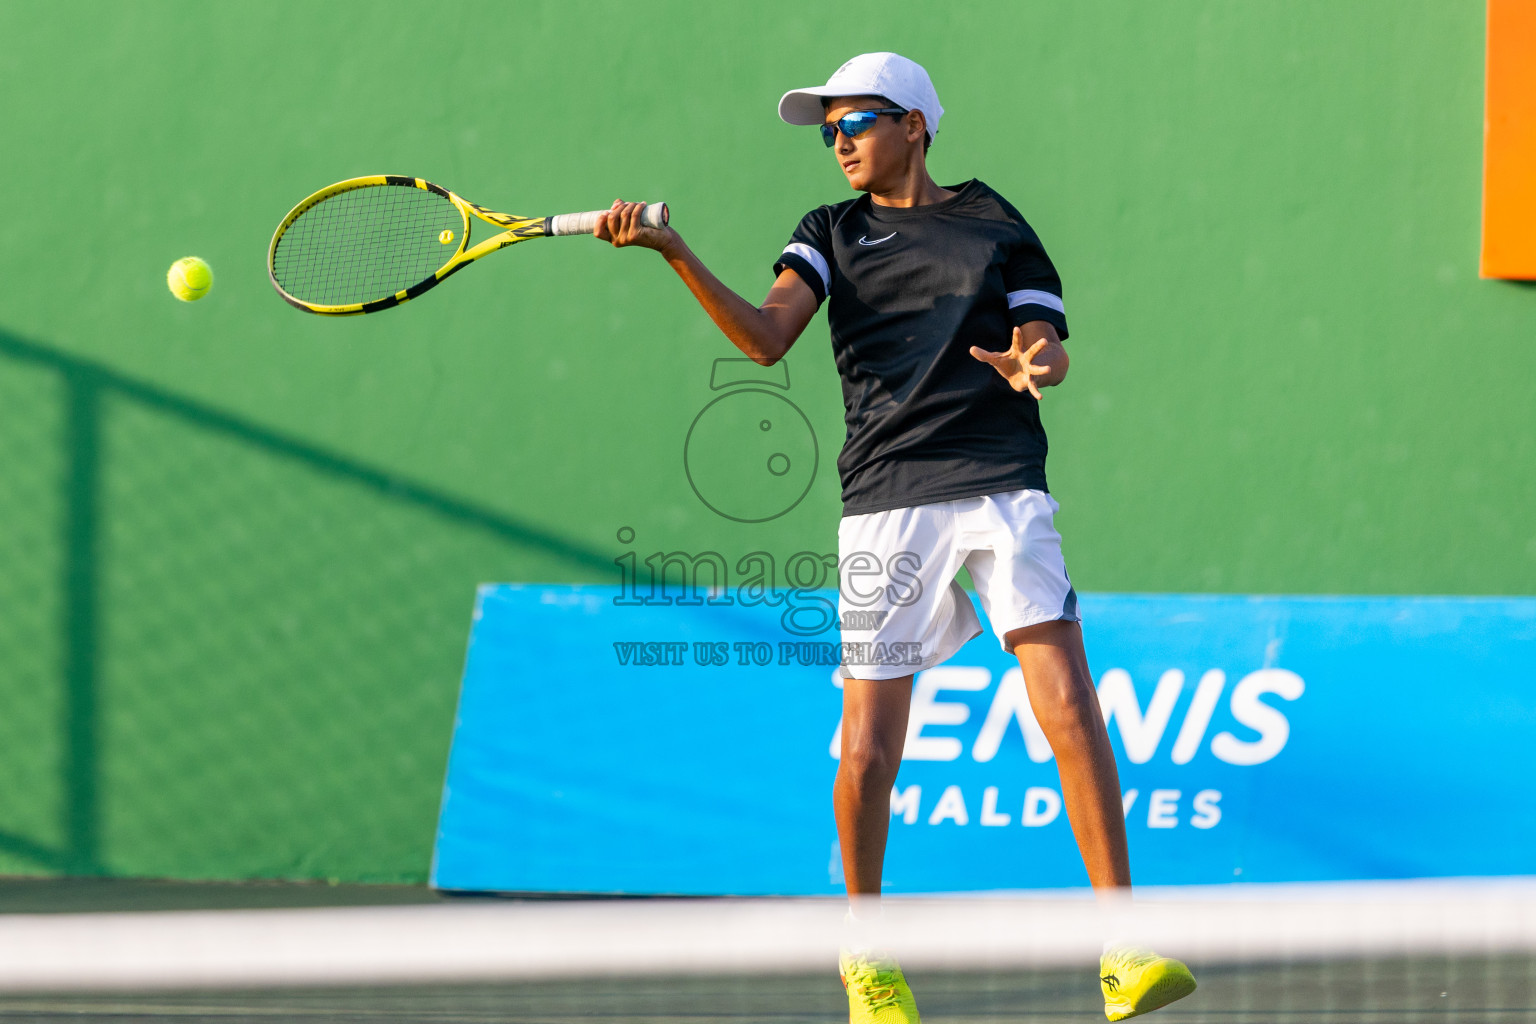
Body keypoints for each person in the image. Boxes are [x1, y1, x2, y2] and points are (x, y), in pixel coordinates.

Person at [594, 51, 1196, 1024]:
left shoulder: (997, 222)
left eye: (855, 122)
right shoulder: (828, 230)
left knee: (1070, 703)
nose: (838, 142)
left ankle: (1123, 946)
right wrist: (676, 251)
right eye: (827, 129)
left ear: (913, 122)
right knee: (871, 744)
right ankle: (866, 956)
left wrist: (1031, 360)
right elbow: (765, 336)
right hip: (889, 496)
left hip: (1001, 481)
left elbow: (1053, 347)